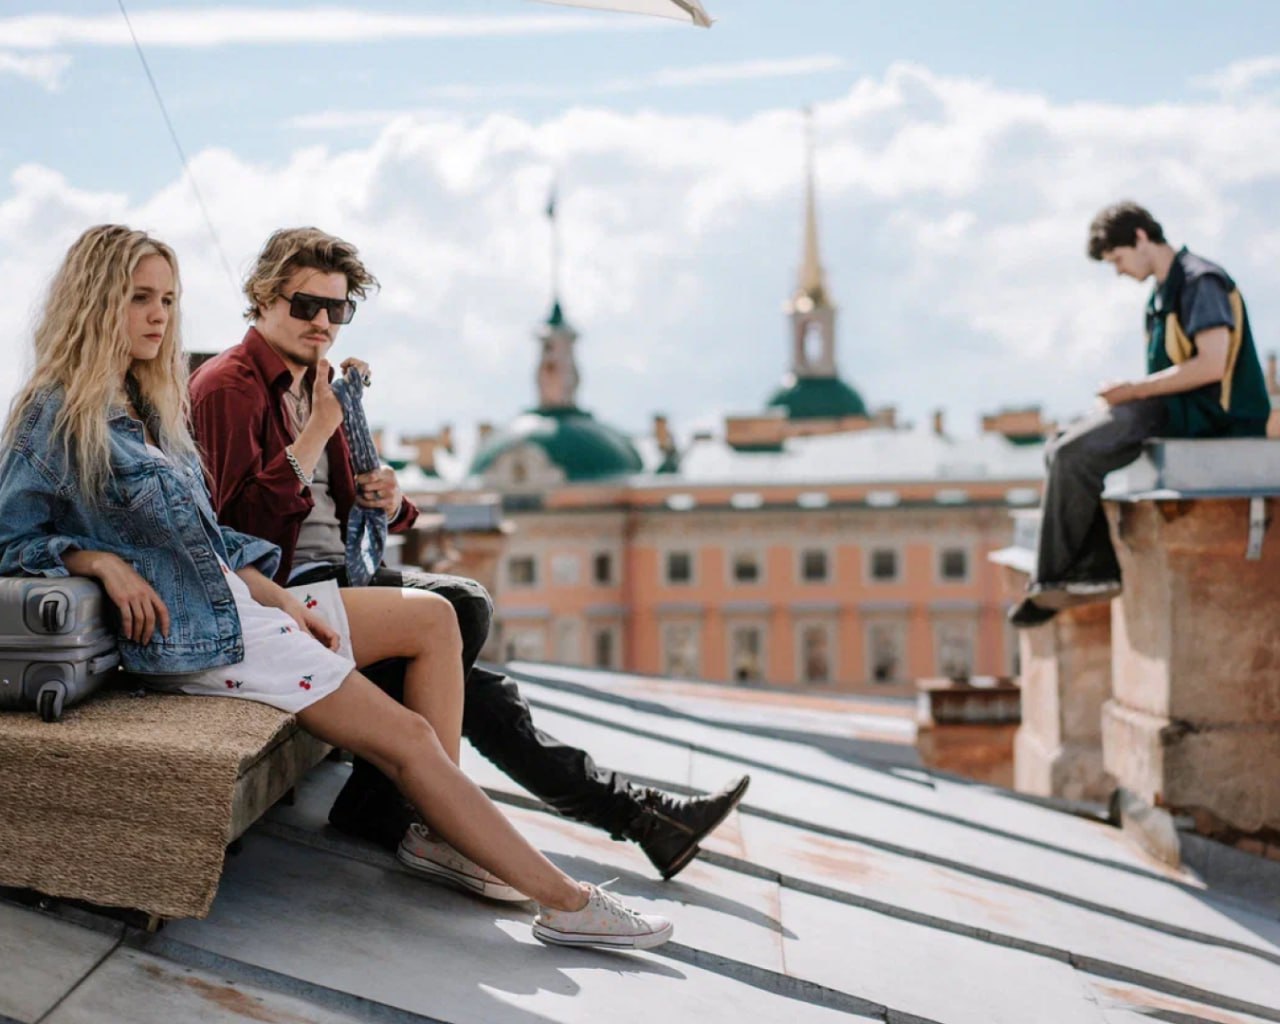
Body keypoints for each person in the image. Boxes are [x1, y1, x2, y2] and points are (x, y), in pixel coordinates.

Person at [0, 224, 672, 950]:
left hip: (243, 604)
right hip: (205, 643)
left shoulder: (148, 402)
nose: (159, 316)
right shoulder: (56, 415)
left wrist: (282, 598)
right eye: (139, 298)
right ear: (96, 302)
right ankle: (568, 903)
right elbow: (10, 539)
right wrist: (95, 561)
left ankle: (440, 830)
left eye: (167, 298)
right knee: (408, 737)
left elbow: (212, 539)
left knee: (439, 617)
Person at [188, 227, 749, 883]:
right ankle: (421, 811)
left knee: (481, 685)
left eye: (338, 309)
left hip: (337, 577)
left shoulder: (317, 380)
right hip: (278, 597)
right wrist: (316, 431)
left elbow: (360, 509)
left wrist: (388, 498)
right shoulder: (229, 387)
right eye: (305, 305)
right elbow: (232, 530)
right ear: (263, 298)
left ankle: (639, 818)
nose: (323, 323)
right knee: (460, 610)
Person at [1010, 201, 1271, 627]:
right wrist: (1125, 399)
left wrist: (1132, 392)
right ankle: (1089, 572)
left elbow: (1211, 365)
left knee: (1072, 453)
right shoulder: (1161, 293)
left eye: (1118, 259)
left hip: (1211, 417)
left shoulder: (1201, 280)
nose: (1118, 271)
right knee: (1059, 445)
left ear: (1141, 237)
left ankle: (1056, 581)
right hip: (1175, 411)